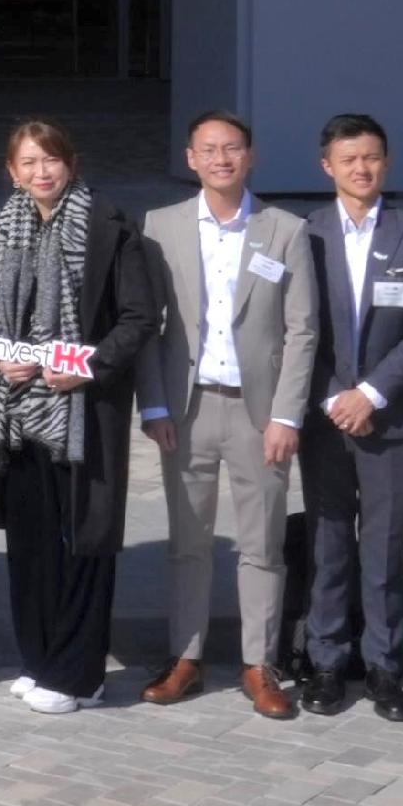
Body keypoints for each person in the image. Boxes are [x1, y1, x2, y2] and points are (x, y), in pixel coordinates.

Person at [0, 120, 159, 714]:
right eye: (27, 163)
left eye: (50, 160)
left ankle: (79, 675)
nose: (40, 172)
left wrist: (90, 366)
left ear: (70, 163)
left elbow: (139, 320)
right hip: (17, 416)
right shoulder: (4, 225)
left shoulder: (108, 226)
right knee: (31, 544)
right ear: (11, 172)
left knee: (83, 544)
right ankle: (39, 658)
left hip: (81, 414)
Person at [134, 111, 319, 717]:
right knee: (188, 542)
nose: (221, 159)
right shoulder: (160, 226)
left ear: (250, 155)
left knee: (262, 543)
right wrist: (155, 403)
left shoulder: (284, 230)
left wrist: (288, 417)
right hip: (185, 411)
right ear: (190, 158)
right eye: (208, 150)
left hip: (258, 413)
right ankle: (185, 657)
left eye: (232, 149)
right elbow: (150, 326)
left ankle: (258, 663)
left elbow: (302, 330)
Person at [294, 112, 403, 723]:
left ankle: (385, 666)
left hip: (393, 419)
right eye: (349, 159)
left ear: (387, 162)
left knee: (384, 549)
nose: (362, 169)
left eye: (373, 157)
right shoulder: (305, 235)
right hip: (325, 418)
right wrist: (335, 396)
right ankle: (327, 662)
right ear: (327, 166)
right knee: (329, 545)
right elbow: (298, 331)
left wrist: (371, 395)